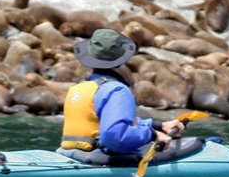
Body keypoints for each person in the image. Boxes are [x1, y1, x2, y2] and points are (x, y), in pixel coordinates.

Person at [60, 28, 184, 157]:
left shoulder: (78, 88)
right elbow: (115, 136)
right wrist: (153, 135)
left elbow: (109, 121)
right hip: (99, 158)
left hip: (70, 154)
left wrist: (159, 125)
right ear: (122, 59)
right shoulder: (116, 90)